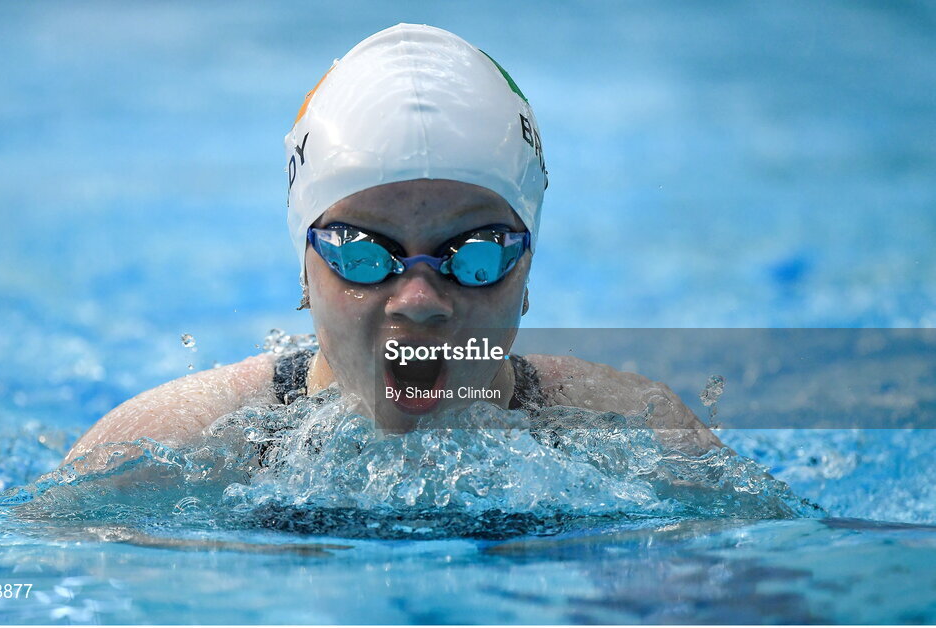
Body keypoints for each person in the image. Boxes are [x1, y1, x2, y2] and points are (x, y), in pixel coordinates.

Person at [63, 23, 720, 465]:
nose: (418, 300)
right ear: (304, 267)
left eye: (476, 253)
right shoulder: (171, 446)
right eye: (361, 253)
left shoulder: (638, 435)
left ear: (526, 268)